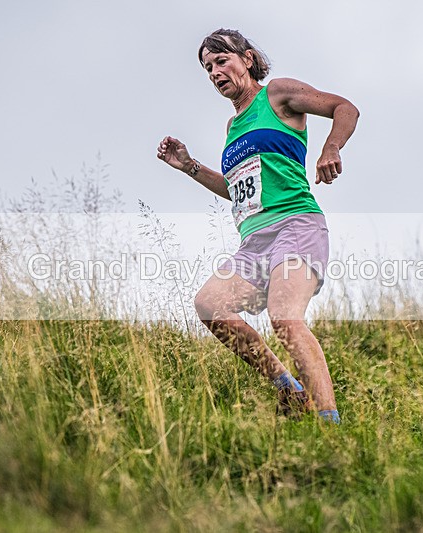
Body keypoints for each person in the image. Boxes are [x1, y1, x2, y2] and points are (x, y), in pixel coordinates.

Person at [156, 29, 358, 423]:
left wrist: (331, 147)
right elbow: (236, 191)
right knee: (209, 305)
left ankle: (330, 423)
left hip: (296, 225)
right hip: (253, 243)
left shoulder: (278, 95)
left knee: (284, 317)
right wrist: (189, 167)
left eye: (221, 61)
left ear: (247, 59)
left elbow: (345, 108)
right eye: (208, 68)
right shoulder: (232, 128)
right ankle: (287, 386)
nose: (215, 73)